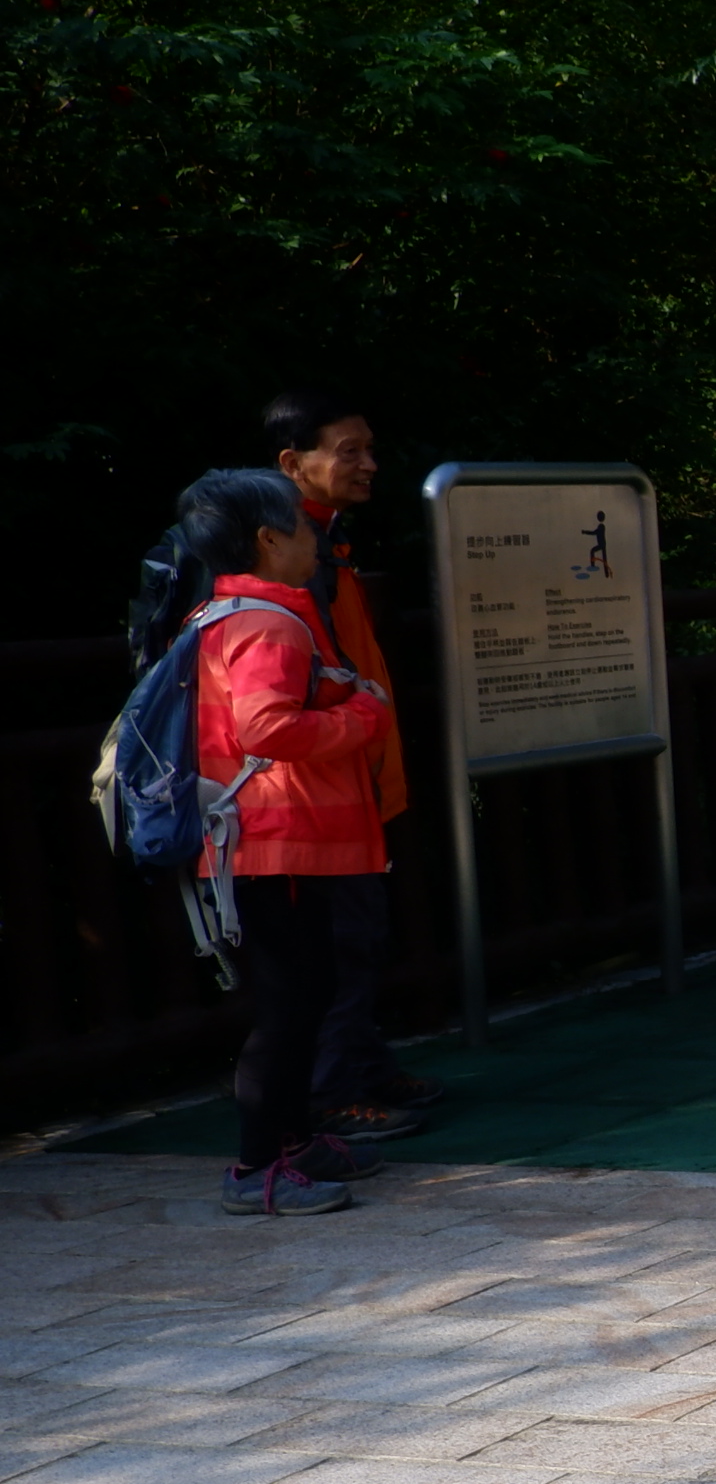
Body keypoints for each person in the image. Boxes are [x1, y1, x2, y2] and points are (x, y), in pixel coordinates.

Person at [178, 470, 395, 1218]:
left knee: (304, 994)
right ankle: (256, 1167)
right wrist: (364, 715)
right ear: (269, 539)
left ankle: (293, 1144)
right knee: (288, 1004)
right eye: (303, 528)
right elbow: (265, 727)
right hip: (274, 841)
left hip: (259, 839)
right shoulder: (268, 624)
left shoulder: (222, 612)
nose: (316, 541)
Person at [260, 393, 434, 1144]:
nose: (368, 464)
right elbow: (272, 709)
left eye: (370, 448)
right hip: (313, 789)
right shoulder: (281, 552)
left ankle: (360, 1065)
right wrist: (361, 721)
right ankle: (332, 1093)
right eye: (348, 450)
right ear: (293, 462)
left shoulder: (324, 541)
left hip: (349, 778)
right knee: (339, 942)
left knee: (358, 934)